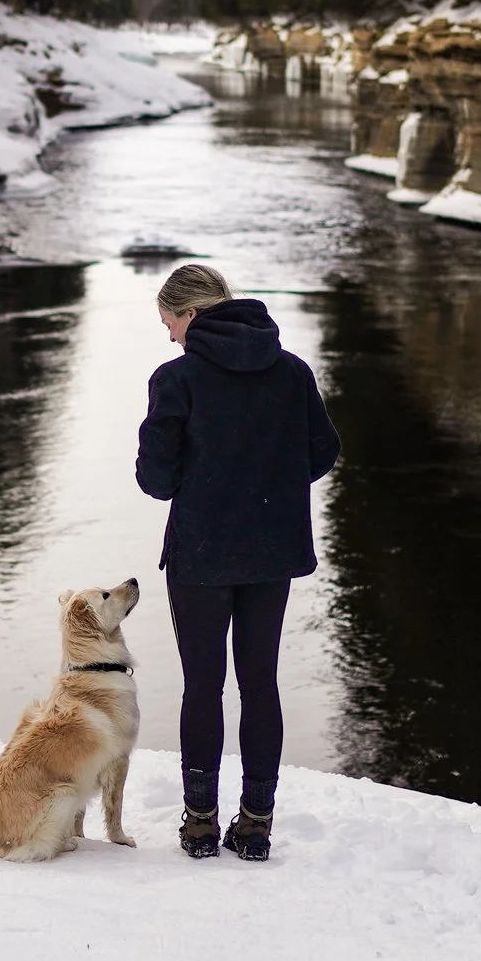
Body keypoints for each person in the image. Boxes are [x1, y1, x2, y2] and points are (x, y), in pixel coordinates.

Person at [134, 262, 341, 861]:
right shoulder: (292, 371)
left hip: (201, 554)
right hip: (272, 550)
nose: (169, 334)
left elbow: (156, 480)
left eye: (168, 321)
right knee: (260, 683)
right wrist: (268, 484)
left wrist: (204, 478)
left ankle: (200, 825)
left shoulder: (178, 379)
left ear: (191, 315)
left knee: (203, 685)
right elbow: (323, 452)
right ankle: (255, 826)